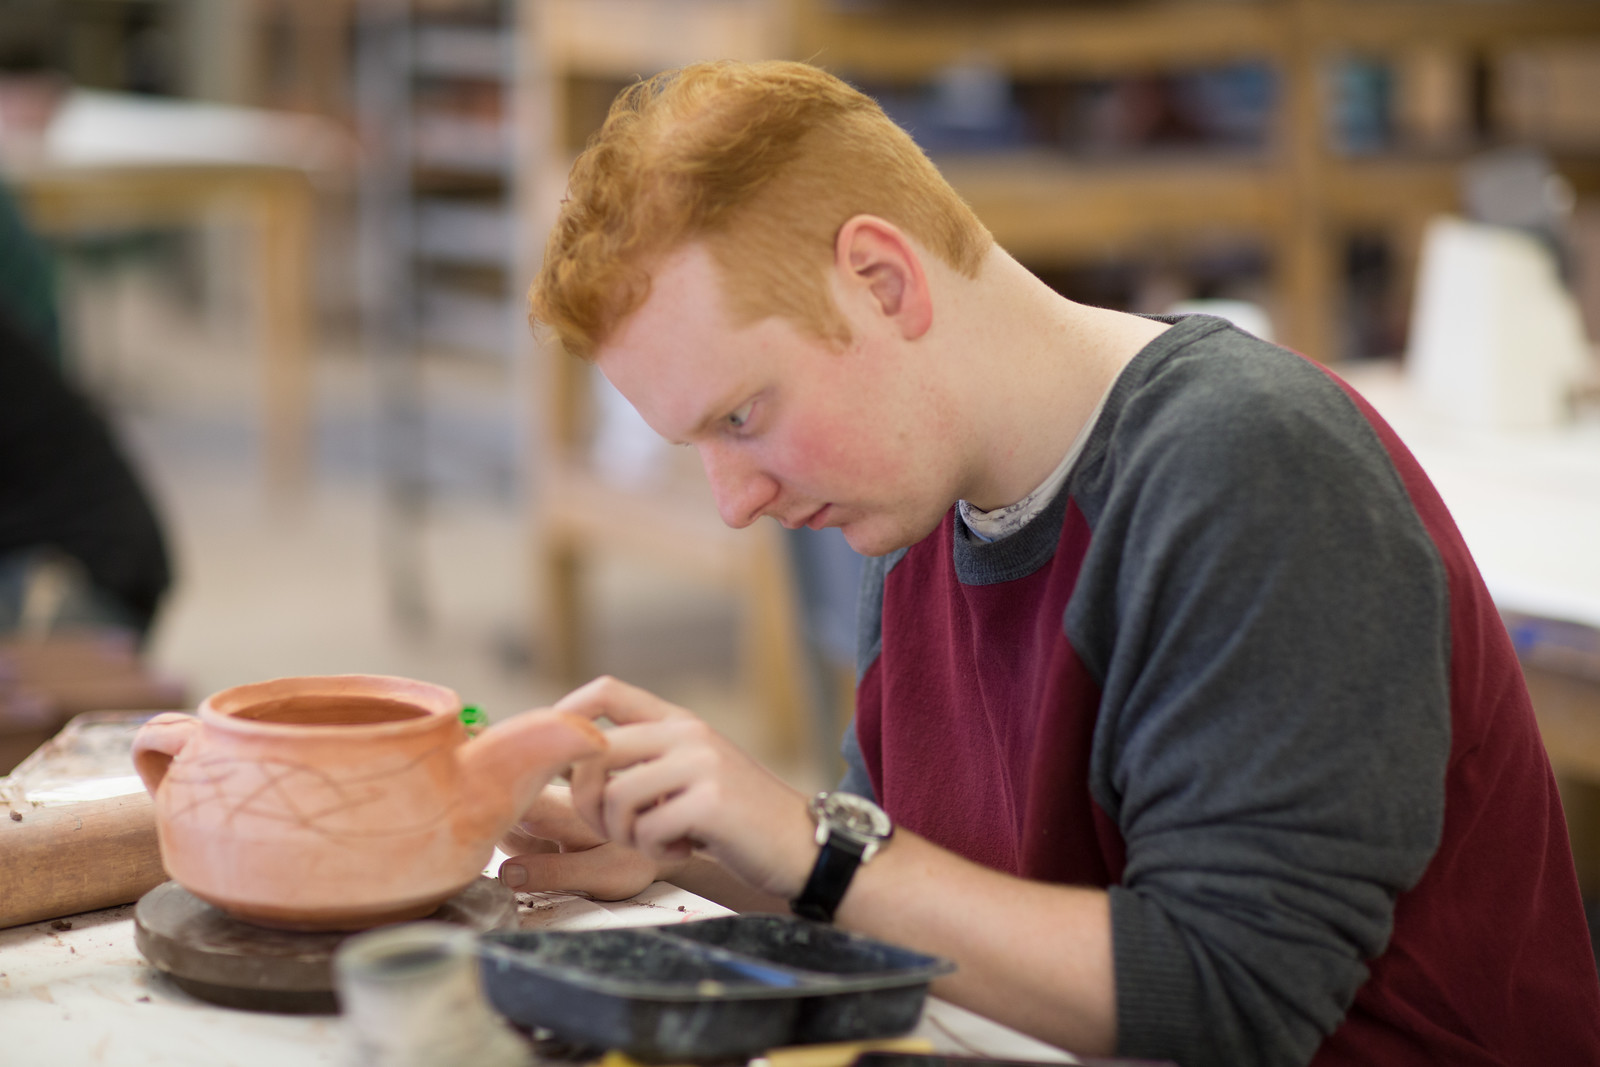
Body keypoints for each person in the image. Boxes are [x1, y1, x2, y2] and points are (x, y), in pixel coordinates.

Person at [498, 60, 1600, 1066]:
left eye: (742, 414)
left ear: (882, 281)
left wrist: (806, 841)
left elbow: (1227, 992)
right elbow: (916, 893)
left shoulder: (1247, 465)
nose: (733, 502)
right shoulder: (922, 503)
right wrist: (689, 841)